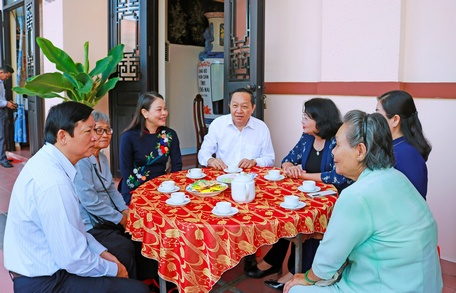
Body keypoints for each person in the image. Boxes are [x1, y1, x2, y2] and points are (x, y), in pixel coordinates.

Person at [284, 110, 442, 293]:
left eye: (337, 145)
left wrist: (305, 278)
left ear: (360, 151)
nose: (333, 152)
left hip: (387, 286)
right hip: (425, 284)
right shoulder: (397, 177)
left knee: (295, 289)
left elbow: (326, 263)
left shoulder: (357, 195)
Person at [3, 102, 149, 293]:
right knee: (137, 289)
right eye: (89, 131)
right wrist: (115, 269)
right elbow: (73, 258)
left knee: (125, 255)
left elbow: (75, 230)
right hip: (44, 281)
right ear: (63, 136)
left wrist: (102, 252)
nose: (96, 137)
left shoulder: (52, 162)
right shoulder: (54, 183)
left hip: (52, 266)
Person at [245, 98, 349, 290]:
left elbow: (338, 176)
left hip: (333, 201)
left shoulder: (336, 140)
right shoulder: (307, 137)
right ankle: (285, 266)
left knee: (306, 226)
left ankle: (295, 272)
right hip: (309, 197)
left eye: (306, 116)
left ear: (320, 119)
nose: (302, 120)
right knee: (285, 214)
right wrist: (290, 167)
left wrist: (304, 175)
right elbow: (288, 159)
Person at [74, 110, 137, 279]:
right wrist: (120, 219)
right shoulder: (81, 162)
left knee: (140, 235)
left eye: (108, 130)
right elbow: (90, 202)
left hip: (109, 218)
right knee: (125, 248)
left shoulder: (102, 158)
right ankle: (129, 286)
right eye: (99, 130)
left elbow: (110, 189)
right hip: (93, 225)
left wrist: (124, 211)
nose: (105, 135)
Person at [119, 91, 183, 205]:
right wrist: (142, 192)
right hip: (135, 187)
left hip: (162, 187)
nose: (164, 113)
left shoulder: (170, 135)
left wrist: (170, 186)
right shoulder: (128, 137)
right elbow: (126, 171)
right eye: (159, 110)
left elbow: (177, 165)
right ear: (145, 113)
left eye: (165, 109)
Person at [198, 88, 275, 170]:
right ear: (229, 106)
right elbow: (203, 152)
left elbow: (270, 158)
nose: (239, 111)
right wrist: (210, 160)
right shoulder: (218, 124)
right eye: (235, 106)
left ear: (253, 108)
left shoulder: (261, 127)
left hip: (251, 176)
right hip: (223, 175)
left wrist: (254, 161)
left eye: (244, 106)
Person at [376, 90, 432, 199]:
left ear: (395, 120)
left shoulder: (407, 155)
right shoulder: (395, 146)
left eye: (378, 114)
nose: (375, 120)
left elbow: (411, 201)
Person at [0, 65, 17, 168]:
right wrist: (6, 104)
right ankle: (2, 159)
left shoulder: (2, 83)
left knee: (3, 135)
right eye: (7, 75)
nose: (8, 78)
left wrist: (7, 102)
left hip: (2, 110)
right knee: (1, 136)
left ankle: (2, 156)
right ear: (1, 73)